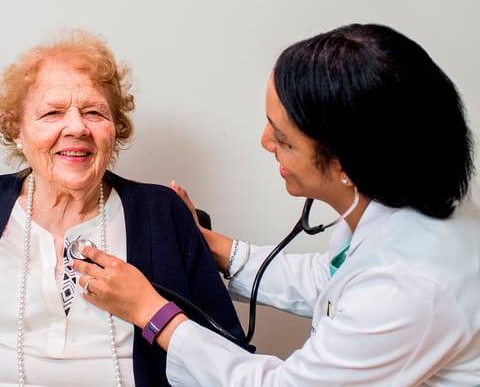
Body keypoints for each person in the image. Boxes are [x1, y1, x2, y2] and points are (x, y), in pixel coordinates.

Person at [71, 23, 480, 386]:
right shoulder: (400, 199)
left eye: (283, 139)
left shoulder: (410, 288)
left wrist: (152, 313)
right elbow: (333, 279)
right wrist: (211, 247)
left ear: (346, 164)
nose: (266, 143)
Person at [0, 29, 251, 387]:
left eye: (94, 112)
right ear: (17, 130)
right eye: (52, 113)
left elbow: (228, 356)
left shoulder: (160, 213)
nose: (77, 128)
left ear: (115, 127)